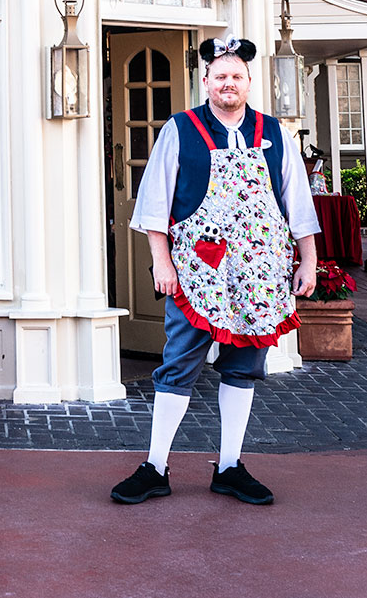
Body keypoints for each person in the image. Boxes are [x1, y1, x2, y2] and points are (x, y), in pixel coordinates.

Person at [110, 35, 320, 508]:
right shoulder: (180, 130)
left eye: (237, 77)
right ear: (205, 81)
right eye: (220, 76)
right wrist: (161, 262)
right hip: (197, 272)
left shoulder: (274, 134)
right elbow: (154, 203)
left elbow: (298, 204)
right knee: (178, 362)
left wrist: (307, 259)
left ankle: (229, 466)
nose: (229, 83)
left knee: (245, 366)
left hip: (259, 273)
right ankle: (155, 466)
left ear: (249, 82)